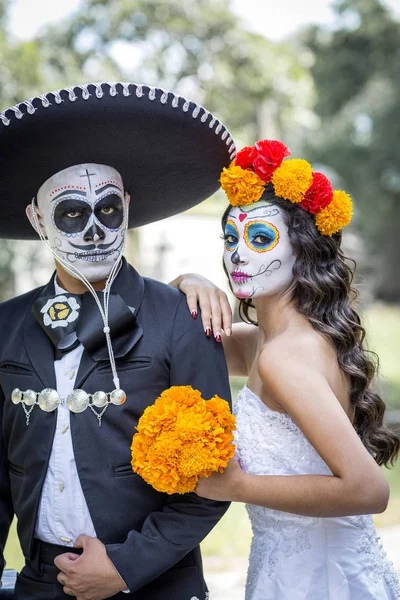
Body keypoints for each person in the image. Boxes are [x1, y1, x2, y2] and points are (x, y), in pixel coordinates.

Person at [0, 82, 235, 600]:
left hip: (155, 583)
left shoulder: (181, 315)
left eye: (107, 209)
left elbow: (214, 477)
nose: (93, 231)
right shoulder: (7, 325)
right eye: (70, 214)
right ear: (38, 220)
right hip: (41, 582)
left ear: (127, 206)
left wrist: (126, 567)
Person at [173, 139, 400, 599]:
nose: (238, 254)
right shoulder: (265, 343)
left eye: (260, 238)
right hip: (295, 570)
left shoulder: (283, 357)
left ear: (304, 249)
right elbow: (173, 337)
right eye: (231, 239)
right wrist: (187, 281)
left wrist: (238, 485)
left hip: (317, 580)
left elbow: (369, 491)